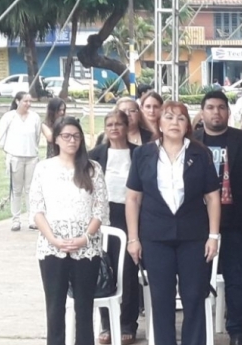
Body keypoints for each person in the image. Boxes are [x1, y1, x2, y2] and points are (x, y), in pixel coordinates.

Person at [125, 101, 221, 345]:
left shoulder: (201, 154)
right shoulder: (142, 154)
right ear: (159, 123)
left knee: (194, 297)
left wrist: (213, 236)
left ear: (188, 124)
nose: (174, 123)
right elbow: (133, 198)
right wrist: (133, 239)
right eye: (168, 117)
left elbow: (212, 197)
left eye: (181, 118)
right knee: (161, 299)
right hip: (155, 236)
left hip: (193, 236)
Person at [29, 116, 109, 345]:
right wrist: (53, 239)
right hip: (52, 246)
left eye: (76, 136)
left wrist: (85, 238)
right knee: (55, 307)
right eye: (66, 136)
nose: (71, 140)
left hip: (86, 247)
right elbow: (37, 209)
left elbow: (100, 209)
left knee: (84, 307)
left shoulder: (92, 169)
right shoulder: (44, 168)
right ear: (56, 139)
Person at [194, 92, 242, 345]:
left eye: (221, 107)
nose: (216, 112)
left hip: (235, 220)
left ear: (228, 112)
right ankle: (198, 330)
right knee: (196, 278)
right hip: (197, 223)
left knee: (235, 277)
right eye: (211, 107)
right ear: (202, 112)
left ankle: (236, 331)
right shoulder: (191, 142)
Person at [89, 110, 139, 345]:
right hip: (103, 217)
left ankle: (128, 322)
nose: (114, 128)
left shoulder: (138, 153)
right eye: (109, 124)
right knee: (104, 269)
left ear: (127, 126)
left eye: (119, 124)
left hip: (131, 216)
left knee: (128, 270)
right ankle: (107, 323)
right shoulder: (95, 155)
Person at [0, 91, 41, 231]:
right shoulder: (8, 117)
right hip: (15, 158)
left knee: (30, 189)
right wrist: (10, 153)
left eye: (30, 101)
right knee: (16, 190)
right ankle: (15, 220)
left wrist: (32, 151)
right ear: (17, 101)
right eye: (25, 101)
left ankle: (32, 219)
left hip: (31, 158)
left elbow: (37, 137)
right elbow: (1, 140)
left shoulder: (35, 117)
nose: (28, 104)